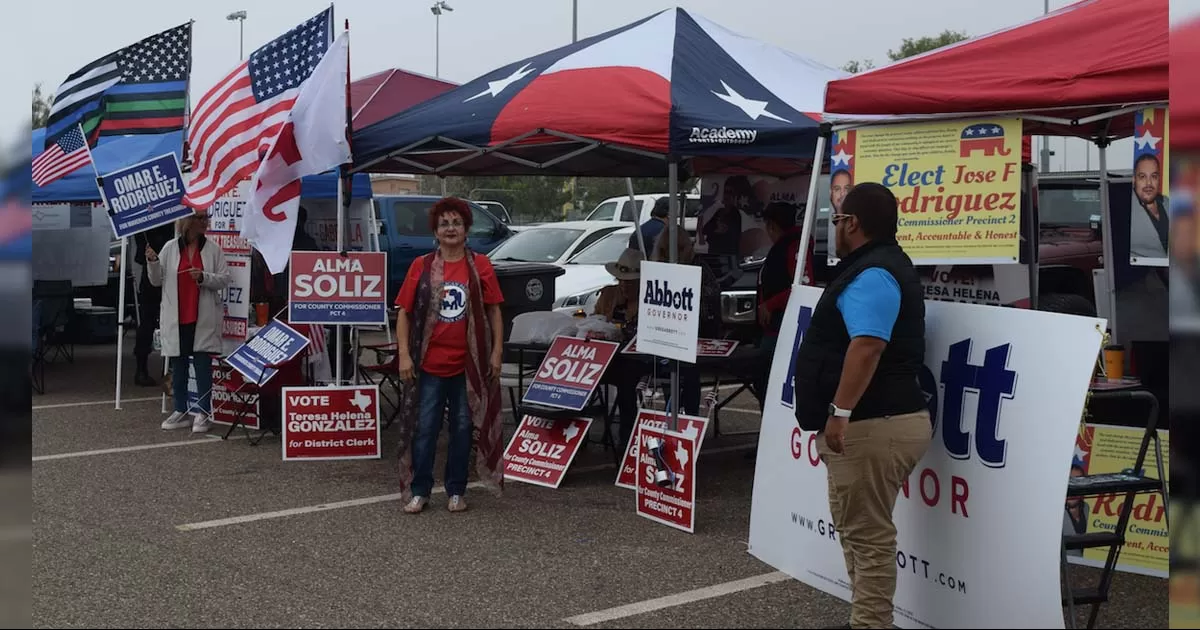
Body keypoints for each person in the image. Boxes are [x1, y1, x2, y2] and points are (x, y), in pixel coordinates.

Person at [791, 182, 930, 629]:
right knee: (856, 531)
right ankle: (865, 620)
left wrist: (841, 412)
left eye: (836, 219)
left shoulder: (874, 273)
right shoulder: (875, 267)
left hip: (872, 423)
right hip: (875, 421)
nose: (835, 228)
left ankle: (871, 624)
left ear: (851, 223)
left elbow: (868, 345)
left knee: (868, 538)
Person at [394, 197, 505, 514]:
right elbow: (403, 313)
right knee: (425, 429)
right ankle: (420, 491)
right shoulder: (421, 266)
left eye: (457, 223)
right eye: (444, 224)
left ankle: (456, 490)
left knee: (462, 428)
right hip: (429, 364)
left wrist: (497, 352)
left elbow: (494, 310)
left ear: (467, 229)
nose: (451, 228)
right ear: (436, 231)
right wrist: (404, 355)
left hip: (469, 366)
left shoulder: (480, 265)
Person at [146, 211, 230, 433]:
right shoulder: (170, 248)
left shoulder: (213, 249)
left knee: (202, 366)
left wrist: (203, 277)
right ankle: (180, 410)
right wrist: (152, 262)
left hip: (202, 316)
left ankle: (204, 413)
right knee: (179, 365)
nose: (205, 222)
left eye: (206, 217)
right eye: (200, 218)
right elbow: (156, 281)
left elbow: (224, 279)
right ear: (187, 221)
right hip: (177, 315)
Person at [593, 247, 646, 447]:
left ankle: (627, 437)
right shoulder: (609, 294)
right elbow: (595, 319)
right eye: (621, 280)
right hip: (607, 355)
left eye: (630, 282)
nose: (624, 285)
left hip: (637, 358)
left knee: (627, 380)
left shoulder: (648, 299)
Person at [132, 222, 176, 387]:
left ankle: (146, 368)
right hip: (156, 265)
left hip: (160, 265)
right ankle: (145, 368)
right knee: (151, 320)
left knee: (150, 320)